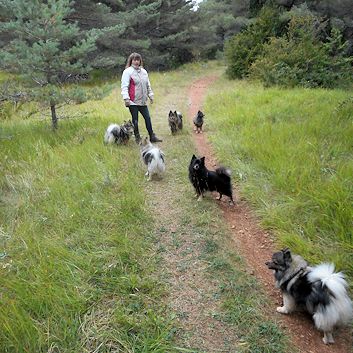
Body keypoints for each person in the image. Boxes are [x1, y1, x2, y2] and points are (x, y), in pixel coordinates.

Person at [121, 52, 162, 143]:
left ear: (140, 61)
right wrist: (126, 98)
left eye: (138, 60)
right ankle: (137, 138)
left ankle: (152, 136)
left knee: (147, 118)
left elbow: (148, 85)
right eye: (134, 60)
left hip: (143, 101)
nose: (136, 62)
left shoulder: (144, 72)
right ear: (131, 61)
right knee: (135, 120)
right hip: (132, 101)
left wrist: (150, 95)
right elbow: (124, 86)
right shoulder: (127, 72)